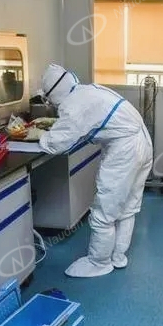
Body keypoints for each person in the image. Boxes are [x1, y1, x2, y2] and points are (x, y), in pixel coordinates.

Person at [39, 64, 153, 278]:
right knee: (128, 206)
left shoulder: (72, 106)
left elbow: (56, 144)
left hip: (125, 149)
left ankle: (99, 262)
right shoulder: (87, 90)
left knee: (104, 211)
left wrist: (40, 136)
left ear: (53, 95)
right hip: (142, 141)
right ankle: (118, 256)